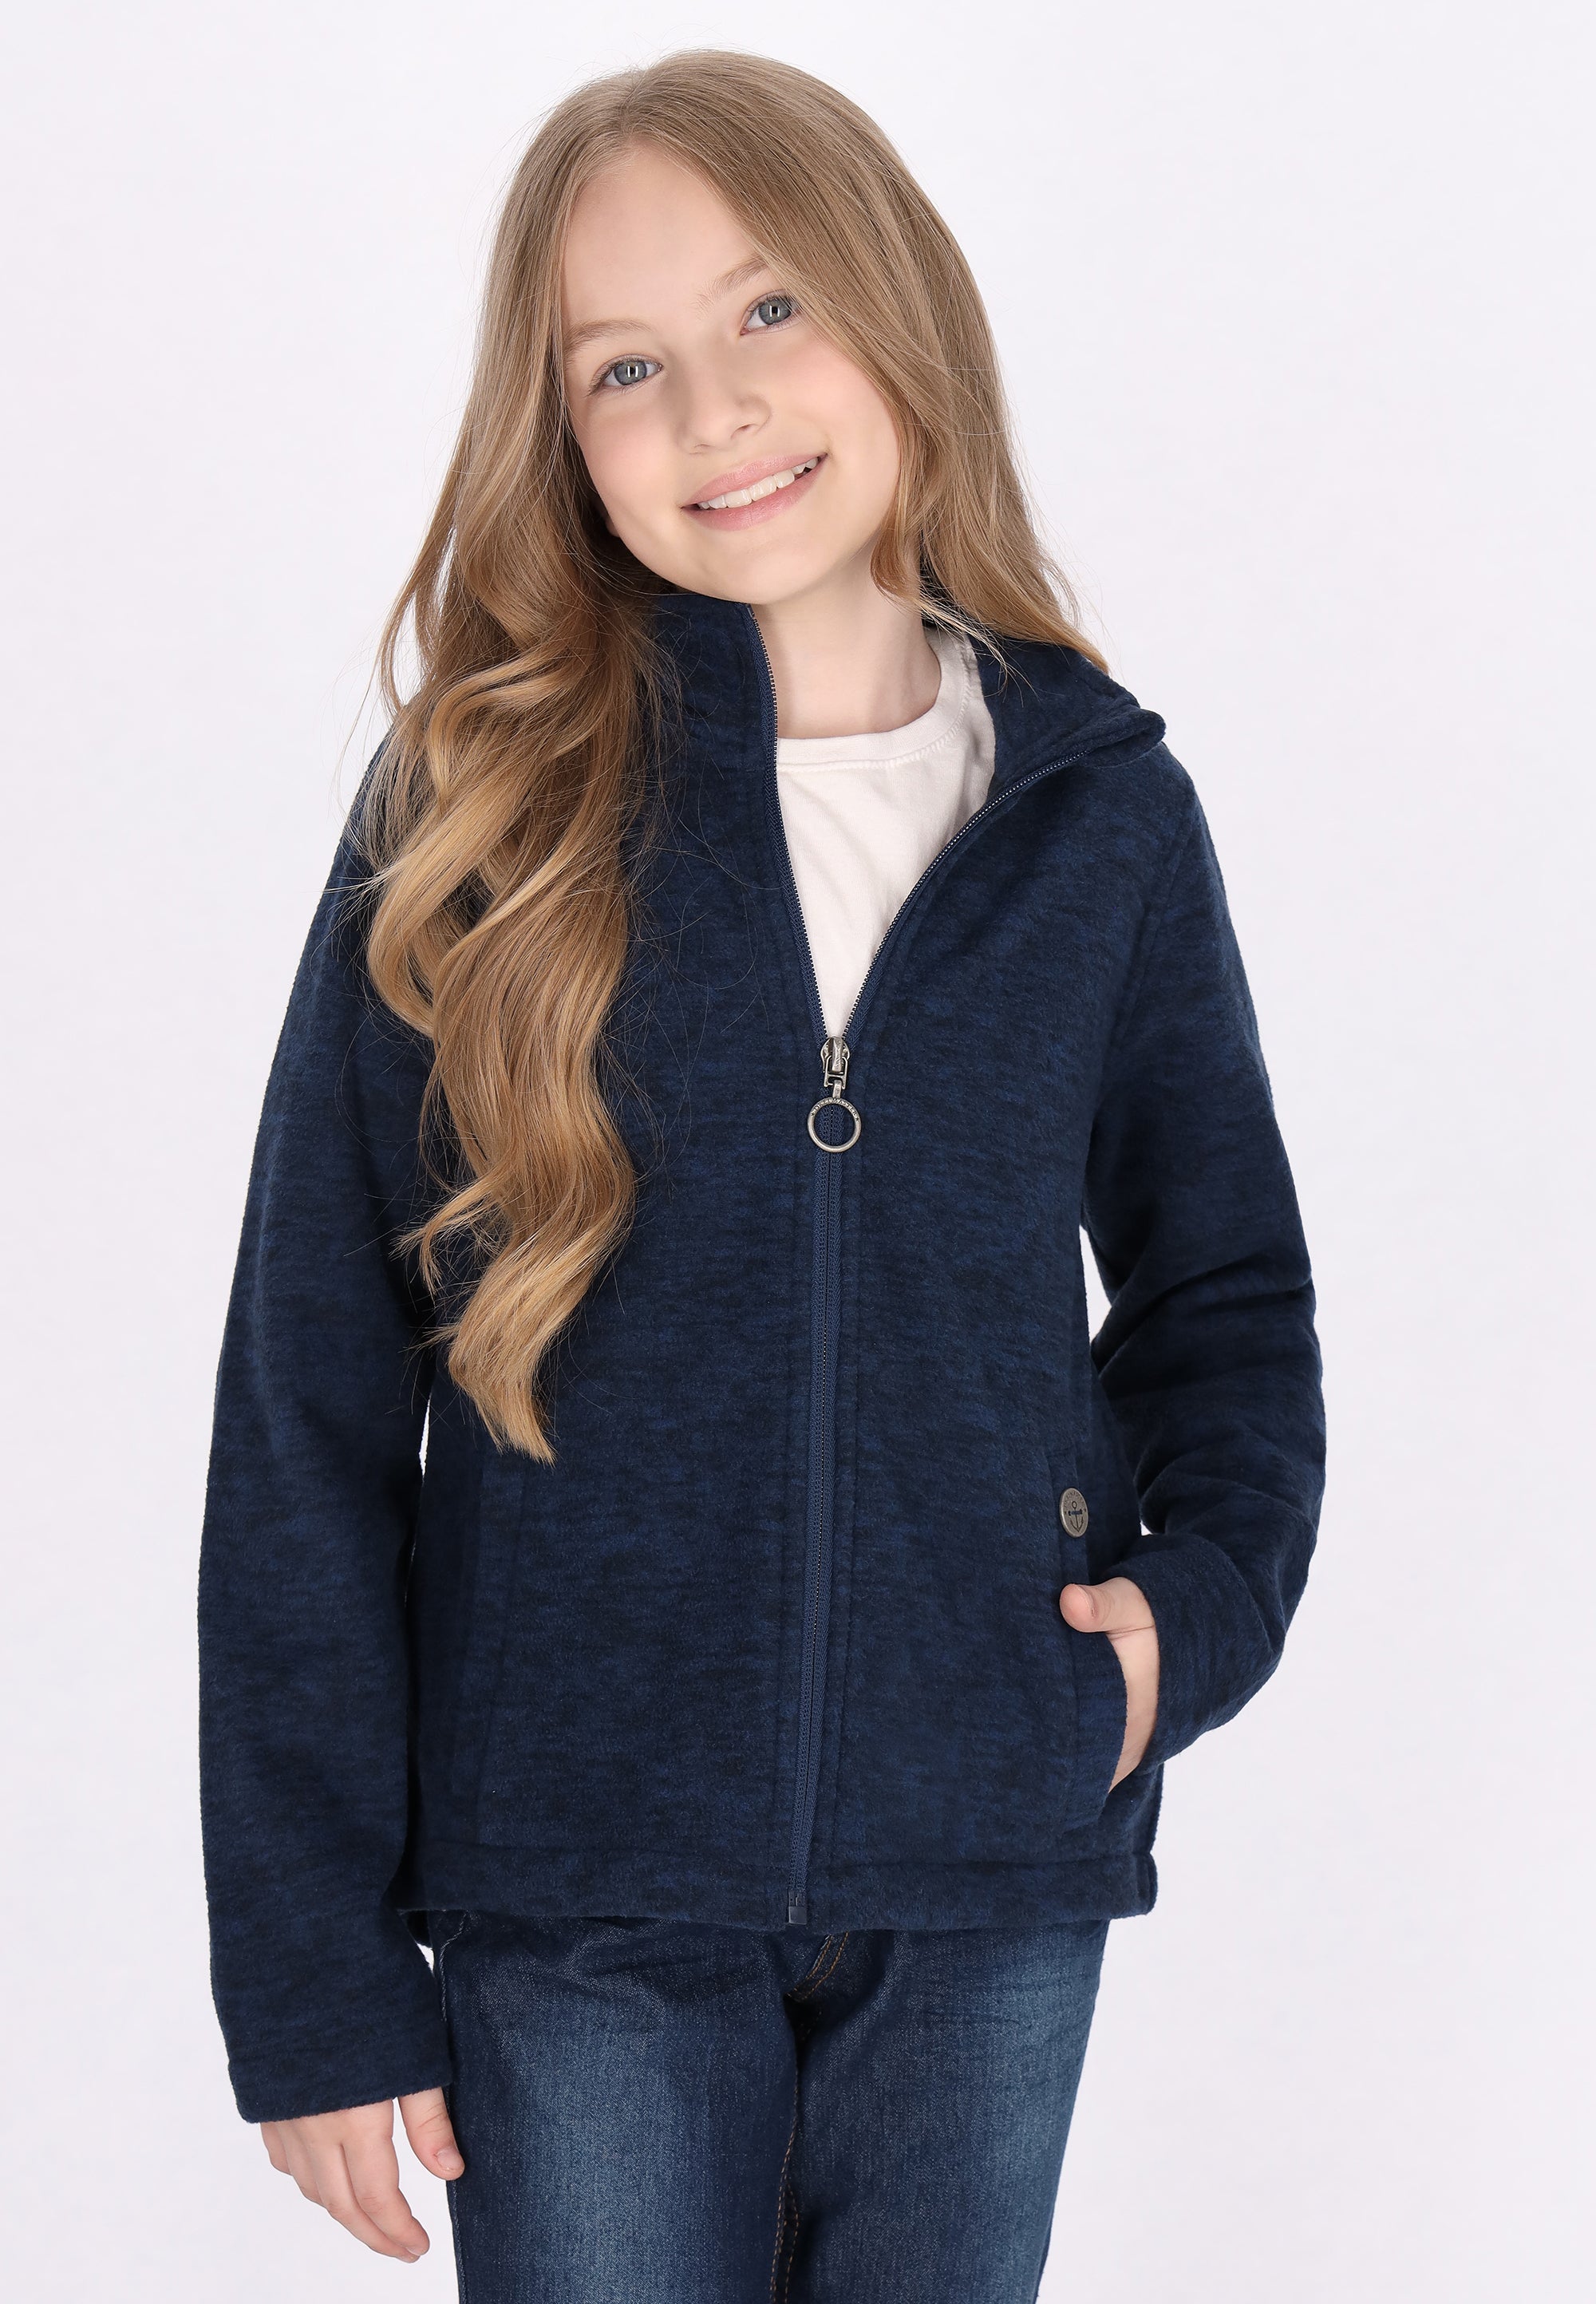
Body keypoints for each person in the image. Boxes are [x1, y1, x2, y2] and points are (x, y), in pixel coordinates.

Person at [198, 48, 1325, 2303]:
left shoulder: (1097, 816)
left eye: (770, 310)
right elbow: (306, 1401)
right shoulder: (477, 821)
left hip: (986, 1869)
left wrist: (1184, 1629)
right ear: (560, 433)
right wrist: (309, 1973)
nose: (715, 409)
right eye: (624, 367)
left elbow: (1227, 1301)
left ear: (903, 310)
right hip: (578, 1891)